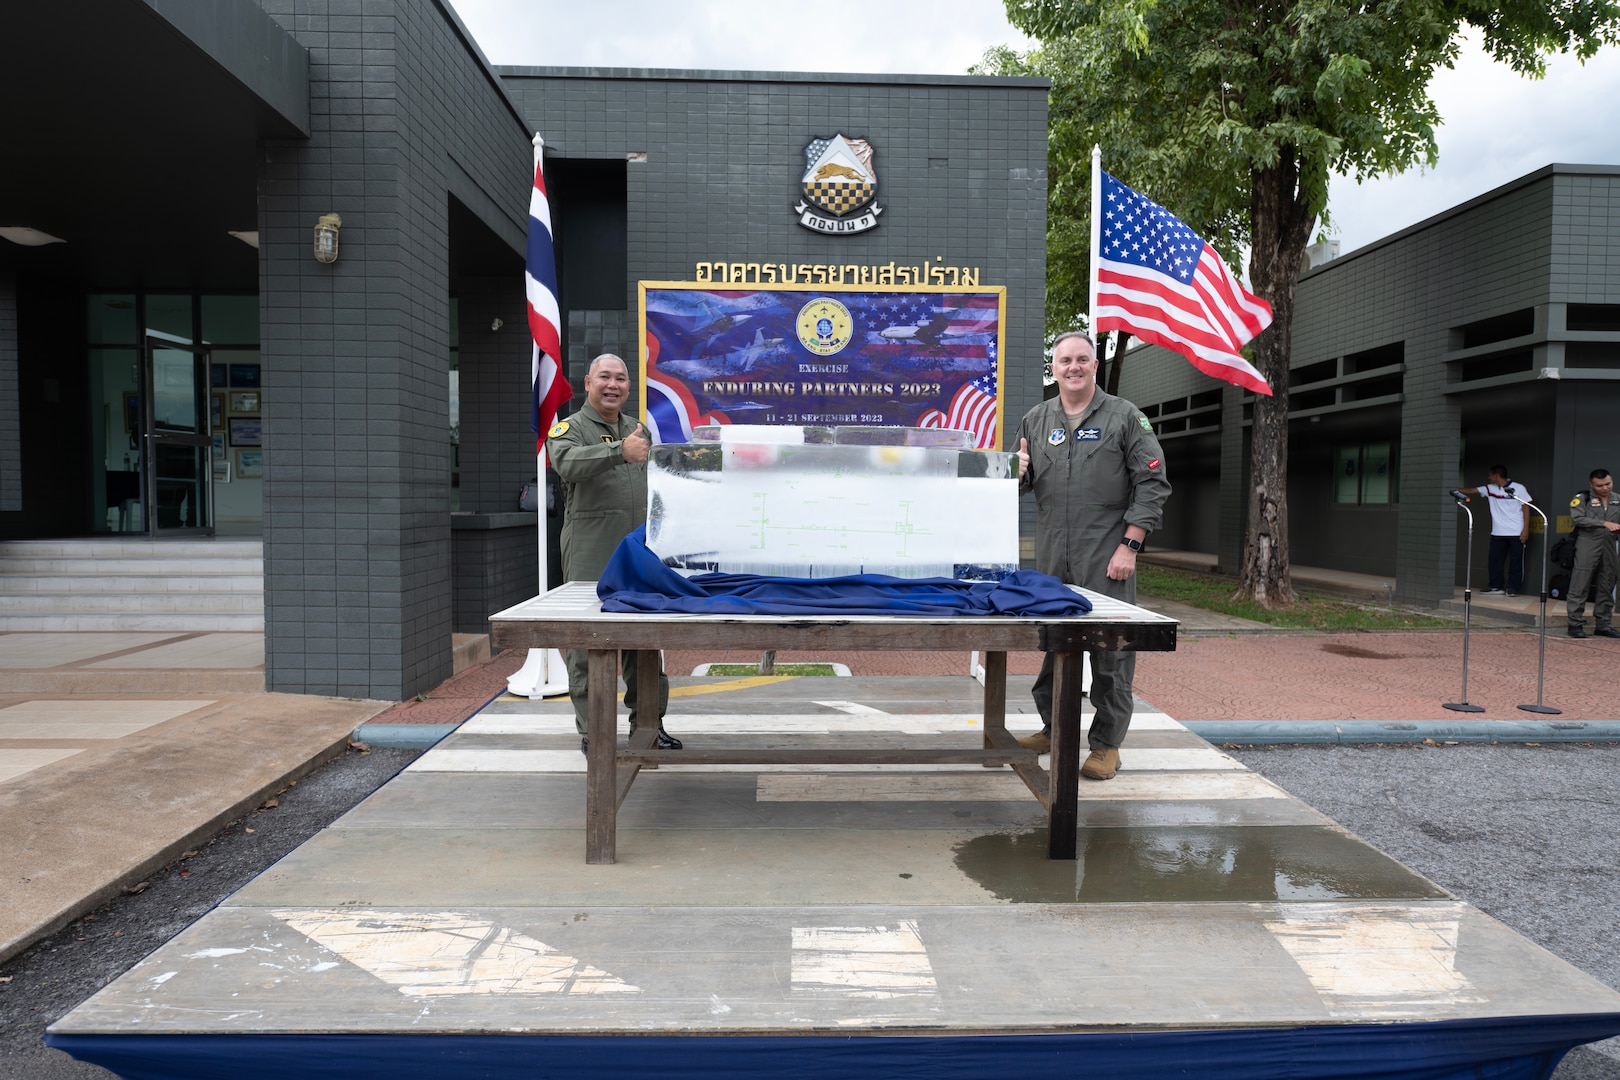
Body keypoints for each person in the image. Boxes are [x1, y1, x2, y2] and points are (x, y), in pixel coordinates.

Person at [1012, 331, 1171, 780]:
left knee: (1110, 650)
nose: (1074, 367)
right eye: (1065, 360)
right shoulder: (1035, 420)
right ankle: (1052, 727)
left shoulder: (1125, 417)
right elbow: (1015, 484)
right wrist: (1014, 471)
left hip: (1106, 555)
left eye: (1082, 359)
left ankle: (1106, 745)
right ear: (1054, 366)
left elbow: (1153, 483)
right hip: (1051, 558)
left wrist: (1131, 546)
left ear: (1094, 365)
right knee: (1054, 644)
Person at [546, 353, 682, 750]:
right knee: (588, 645)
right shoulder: (568, 429)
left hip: (640, 553)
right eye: (604, 377)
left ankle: (648, 725)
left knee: (645, 642)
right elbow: (566, 463)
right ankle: (594, 734)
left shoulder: (638, 429)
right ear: (587, 382)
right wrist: (617, 452)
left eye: (620, 378)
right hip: (591, 550)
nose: (613, 385)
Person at [1566, 467, 1620, 639]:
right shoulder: (1582, 499)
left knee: (1607, 582)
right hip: (1588, 543)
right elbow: (1577, 518)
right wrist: (1603, 523)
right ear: (1591, 484)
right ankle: (1575, 624)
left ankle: (1603, 624)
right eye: (1600, 485)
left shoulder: (1617, 499)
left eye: (1608, 484)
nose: (1605, 488)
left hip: (1610, 544)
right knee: (1580, 583)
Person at [1460, 465, 1531, 595]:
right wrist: (1452, 489)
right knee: (1495, 561)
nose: (1489, 477)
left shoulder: (1518, 488)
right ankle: (1496, 587)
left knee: (1516, 562)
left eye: (1490, 475)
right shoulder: (1490, 489)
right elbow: (1472, 490)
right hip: (1497, 532)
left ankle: (1513, 588)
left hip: (1516, 532)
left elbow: (1526, 508)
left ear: (1496, 475)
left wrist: (1525, 530)